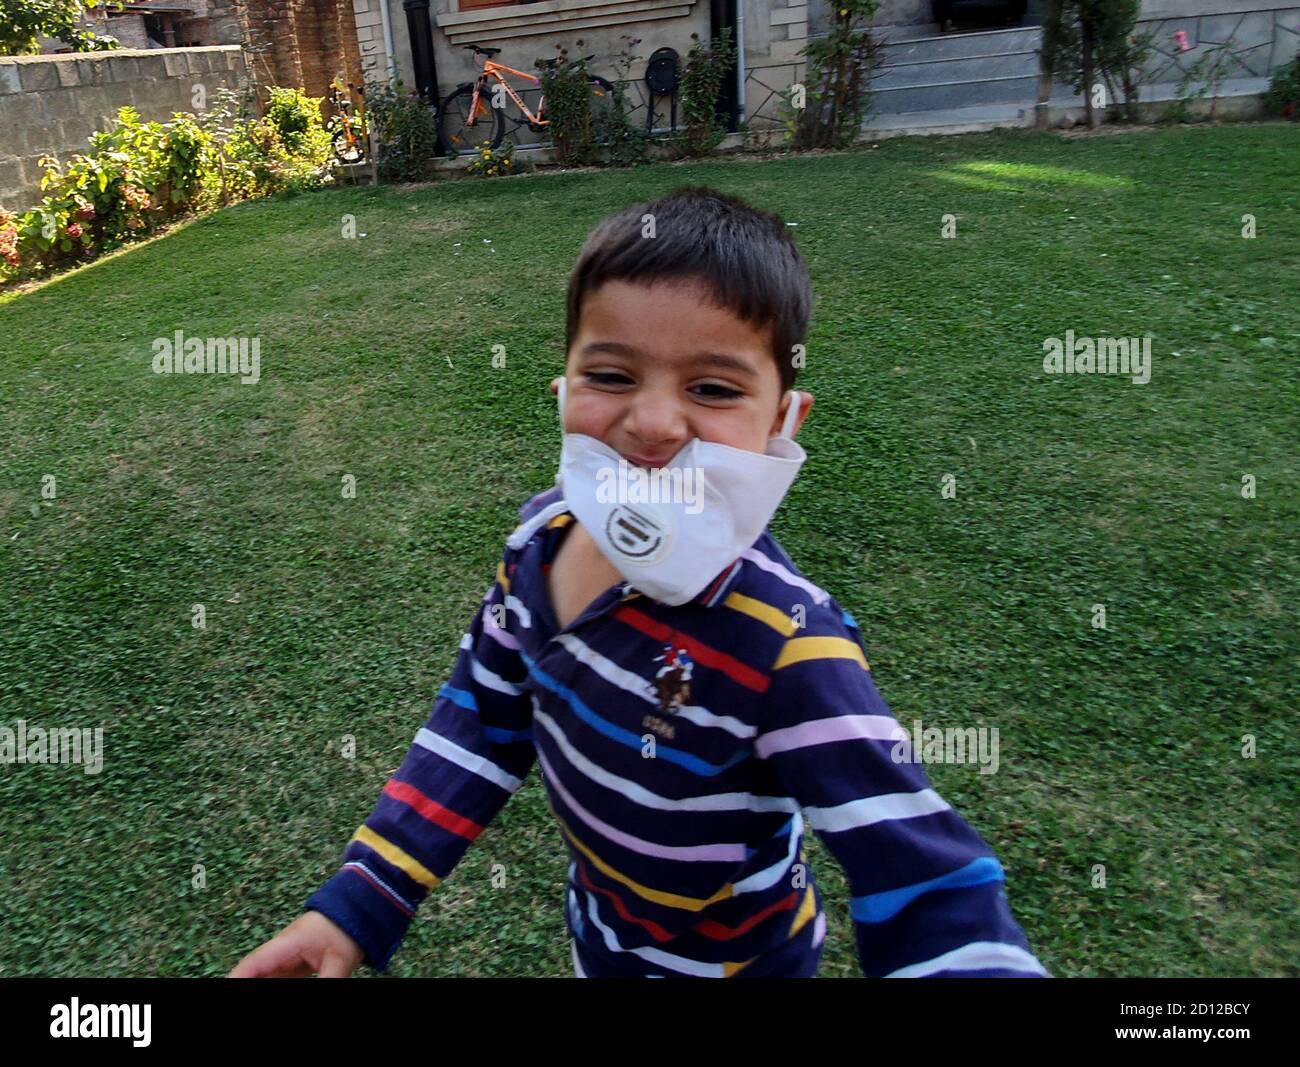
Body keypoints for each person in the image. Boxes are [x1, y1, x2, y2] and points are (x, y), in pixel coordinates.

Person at [229, 186, 1047, 978]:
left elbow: (925, 879)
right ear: (562, 391)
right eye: (613, 376)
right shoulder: (537, 545)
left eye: (714, 388)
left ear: (780, 423)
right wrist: (359, 899)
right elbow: (481, 721)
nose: (653, 422)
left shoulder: (787, 643)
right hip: (602, 942)